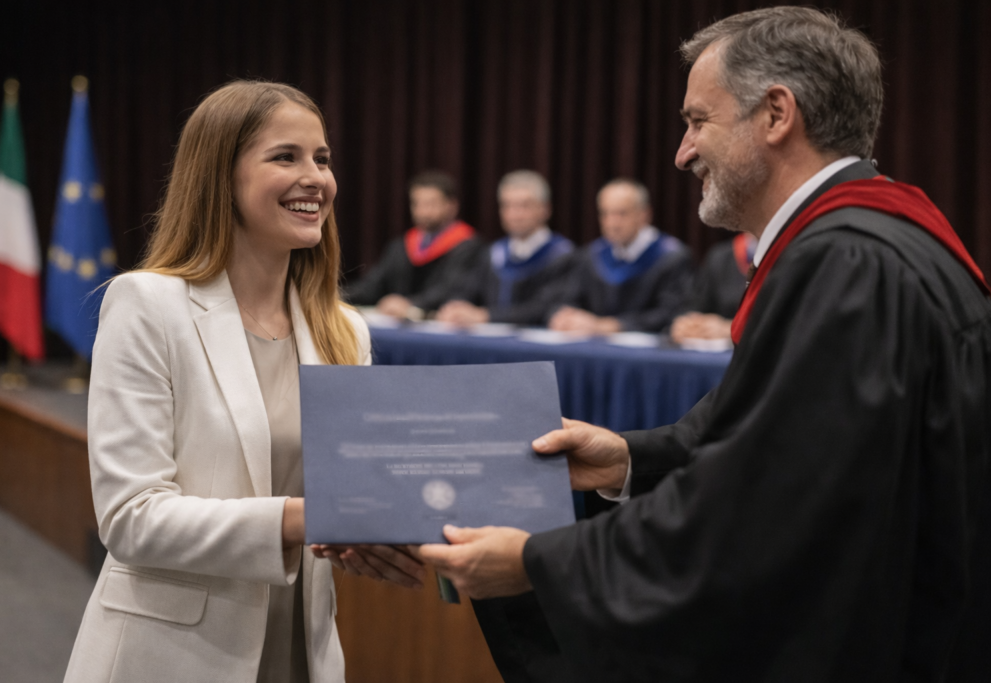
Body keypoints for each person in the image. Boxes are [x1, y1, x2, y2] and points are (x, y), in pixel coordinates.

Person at [408, 7, 991, 681]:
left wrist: (535, 563)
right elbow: (773, 436)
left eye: (697, 121)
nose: (682, 153)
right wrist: (629, 458)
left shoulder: (846, 266)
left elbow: (757, 513)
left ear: (776, 114)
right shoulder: (879, 239)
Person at [64, 81, 373, 683]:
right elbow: (130, 518)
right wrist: (303, 519)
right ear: (220, 177)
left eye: (322, 159)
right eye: (285, 157)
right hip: (172, 658)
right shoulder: (147, 304)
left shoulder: (345, 331)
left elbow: (356, 498)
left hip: (302, 652)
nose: (315, 178)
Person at [546, 179, 693, 334]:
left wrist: (613, 325)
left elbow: (672, 313)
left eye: (622, 214)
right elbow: (568, 299)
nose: (612, 224)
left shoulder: (671, 258)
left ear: (644, 215)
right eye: (605, 214)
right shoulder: (591, 255)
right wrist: (565, 317)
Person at [436, 170, 574, 327]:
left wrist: (485, 316)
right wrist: (457, 307)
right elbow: (468, 290)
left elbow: (546, 308)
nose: (514, 215)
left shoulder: (562, 255)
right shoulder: (493, 253)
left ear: (545, 209)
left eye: (524, 206)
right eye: (507, 206)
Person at [344, 170, 484, 319]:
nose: (423, 212)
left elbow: (453, 290)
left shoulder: (468, 247)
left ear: (452, 206)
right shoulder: (401, 245)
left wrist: (410, 304)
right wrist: (339, 295)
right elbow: (373, 285)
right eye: (417, 204)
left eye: (431, 204)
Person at [670, 232, 757, 343]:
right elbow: (698, 306)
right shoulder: (721, 256)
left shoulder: (779, 257)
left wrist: (730, 328)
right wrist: (689, 324)